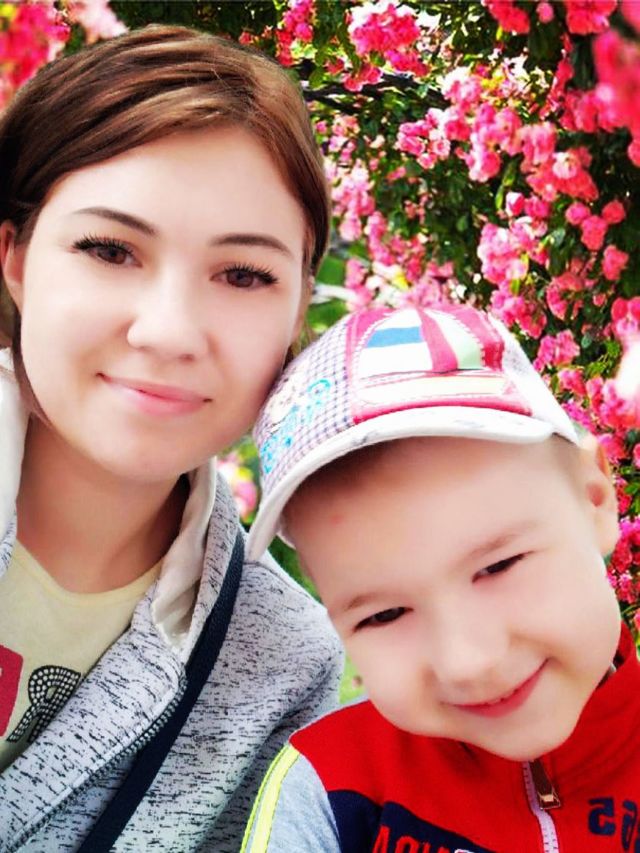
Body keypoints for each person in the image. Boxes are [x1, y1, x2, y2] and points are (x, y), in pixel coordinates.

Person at [0, 24, 342, 853]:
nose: (169, 331)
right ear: (14, 258)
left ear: (298, 307)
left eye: (244, 274)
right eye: (110, 249)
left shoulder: (283, 664)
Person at [243, 302, 635, 853]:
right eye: (383, 615)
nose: (468, 662)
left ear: (594, 500)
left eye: (498, 566)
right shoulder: (329, 789)